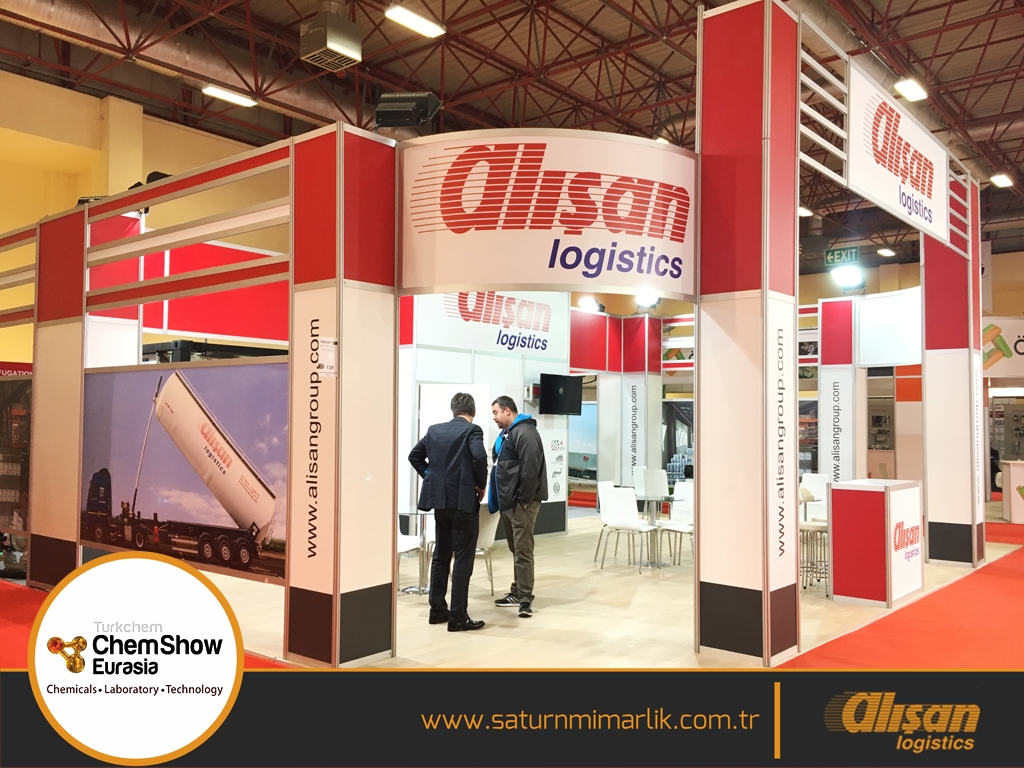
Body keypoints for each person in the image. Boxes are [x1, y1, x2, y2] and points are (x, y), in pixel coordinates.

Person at [408, 392, 489, 632]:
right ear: (473, 412)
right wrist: (480, 485)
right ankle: (458, 616)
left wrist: (430, 476)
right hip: (463, 502)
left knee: (441, 555)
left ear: (453, 410)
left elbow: (414, 456)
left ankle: (437, 610)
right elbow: (479, 456)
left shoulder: (434, 431)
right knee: (463, 558)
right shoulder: (472, 431)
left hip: (439, 502)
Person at [489, 395, 547, 618]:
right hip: (508, 502)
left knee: (523, 551)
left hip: (521, 503)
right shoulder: (508, 433)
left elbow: (530, 468)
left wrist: (523, 499)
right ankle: (517, 591)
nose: (494, 417)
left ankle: (525, 598)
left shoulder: (525, 432)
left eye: (496, 412)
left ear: (507, 411)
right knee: (516, 549)